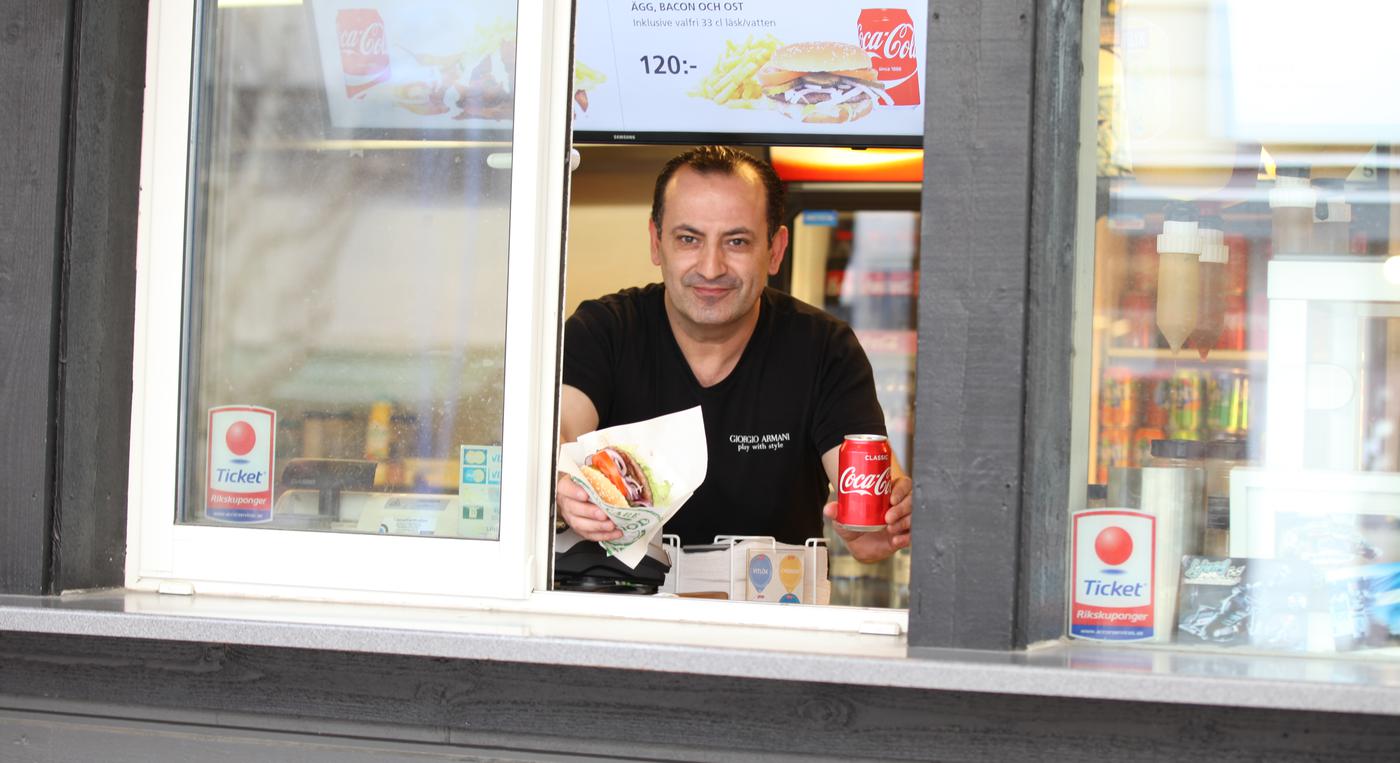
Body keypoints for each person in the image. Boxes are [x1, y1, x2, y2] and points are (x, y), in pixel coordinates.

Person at [555, 146, 911, 564]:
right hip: (618, 597)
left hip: (774, 599)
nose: (711, 268)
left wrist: (884, 522)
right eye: (689, 239)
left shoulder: (824, 348)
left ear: (775, 250)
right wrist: (562, 487)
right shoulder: (603, 331)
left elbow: (870, 514)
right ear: (656, 242)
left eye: (737, 241)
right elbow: (561, 435)